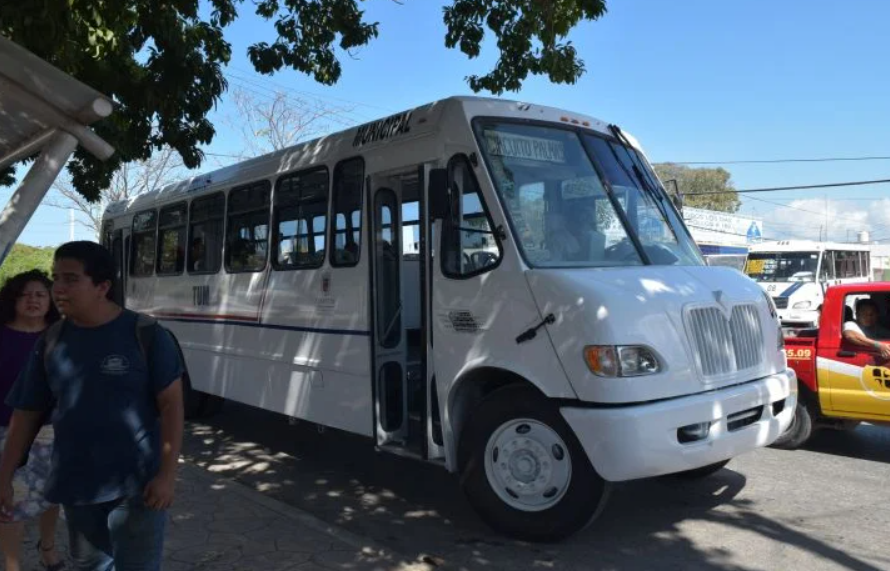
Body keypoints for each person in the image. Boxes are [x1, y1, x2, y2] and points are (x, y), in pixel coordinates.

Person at [0, 242, 184, 571]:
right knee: (90, 567)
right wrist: (3, 475)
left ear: (102, 287)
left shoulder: (146, 335)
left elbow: (171, 406)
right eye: (56, 278)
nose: (58, 288)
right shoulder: (51, 340)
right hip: (77, 485)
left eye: (71, 279)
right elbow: (26, 413)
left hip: (138, 488)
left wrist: (167, 476)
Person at [0, 271, 63, 571]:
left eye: (40, 294)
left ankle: (47, 546)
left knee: (52, 493)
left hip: (52, 431)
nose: (33, 300)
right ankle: (13, 566)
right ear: (13, 299)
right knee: (8, 499)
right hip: (5, 431)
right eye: (25, 294)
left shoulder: (62, 334)